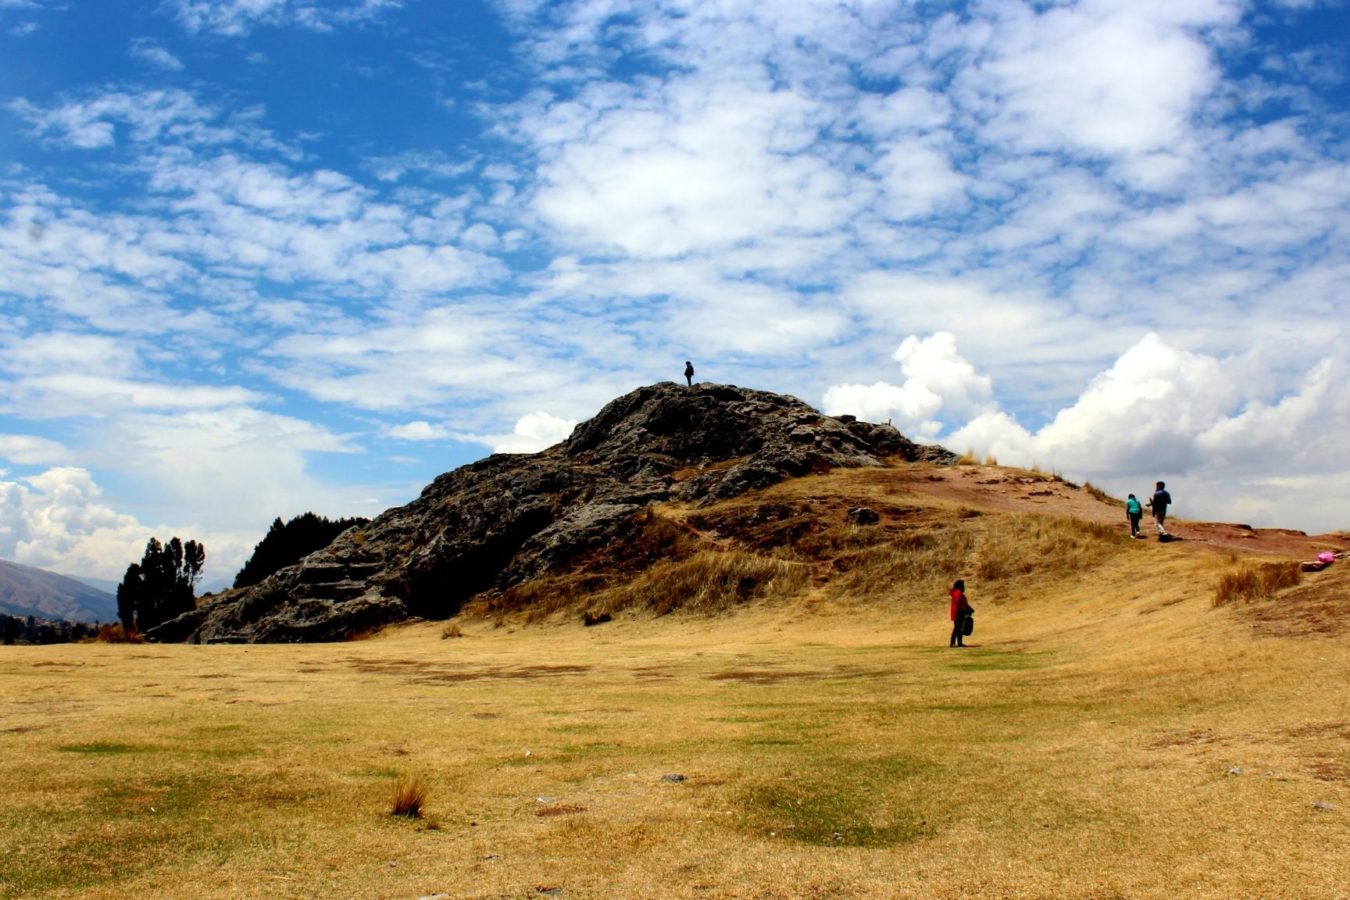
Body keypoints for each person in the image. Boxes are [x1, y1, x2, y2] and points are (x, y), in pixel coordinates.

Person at [949, 579, 971, 648]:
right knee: (957, 628)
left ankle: (959, 643)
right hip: (958, 612)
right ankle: (953, 643)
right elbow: (958, 602)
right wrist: (964, 609)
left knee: (959, 628)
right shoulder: (958, 592)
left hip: (958, 612)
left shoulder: (957, 592)